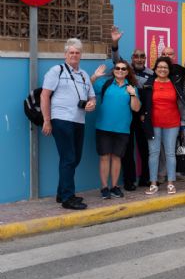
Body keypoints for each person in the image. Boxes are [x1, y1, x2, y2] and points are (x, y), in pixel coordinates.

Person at [41, 38, 97, 210]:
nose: (74, 55)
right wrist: (47, 120)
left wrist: (91, 104)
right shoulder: (56, 71)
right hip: (61, 119)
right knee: (68, 157)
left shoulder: (84, 75)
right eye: (71, 52)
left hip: (79, 120)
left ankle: (61, 192)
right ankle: (68, 198)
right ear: (65, 54)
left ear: (81, 55)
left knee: (75, 158)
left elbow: (92, 97)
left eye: (77, 52)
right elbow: (44, 96)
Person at [141, 57, 185, 195]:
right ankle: (153, 183)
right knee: (154, 154)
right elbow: (144, 103)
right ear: (155, 68)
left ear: (169, 70)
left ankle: (170, 183)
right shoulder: (149, 84)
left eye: (165, 67)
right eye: (160, 67)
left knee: (170, 153)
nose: (162, 69)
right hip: (154, 124)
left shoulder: (175, 83)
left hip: (172, 123)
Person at [111, 26, 154, 190]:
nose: (139, 58)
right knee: (127, 148)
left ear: (145, 58)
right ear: (132, 58)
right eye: (136, 56)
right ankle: (129, 181)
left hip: (142, 115)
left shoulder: (151, 73)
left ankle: (146, 178)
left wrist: (146, 114)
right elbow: (116, 59)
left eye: (142, 56)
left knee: (145, 148)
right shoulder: (125, 70)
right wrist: (115, 43)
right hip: (127, 114)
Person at [90, 60, 141, 199]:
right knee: (104, 157)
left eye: (123, 69)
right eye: (117, 68)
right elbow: (86, 88)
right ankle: (104, 187)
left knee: (117, 158)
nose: (120, 70)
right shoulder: (105, 84)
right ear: (113, 70)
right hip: (103, 128)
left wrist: (133, 94)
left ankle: (114, 186)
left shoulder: (131, 87)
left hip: (122, 129)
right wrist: (94, 77)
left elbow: (136, 108)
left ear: (127, 72)